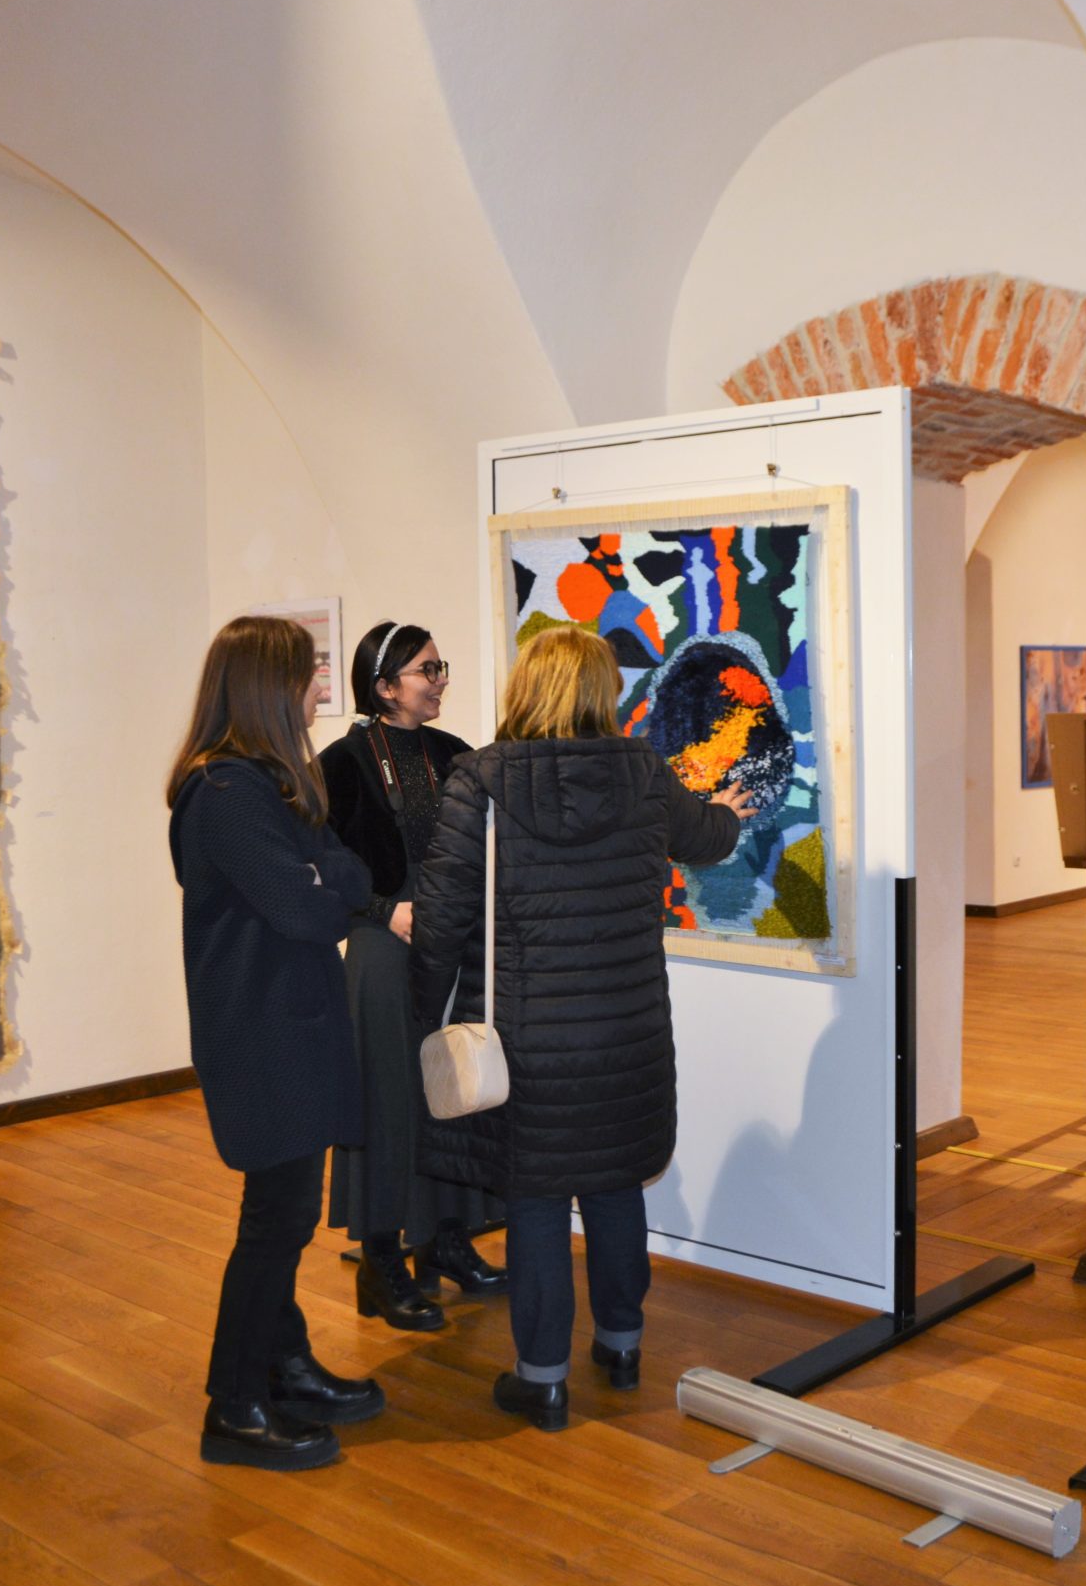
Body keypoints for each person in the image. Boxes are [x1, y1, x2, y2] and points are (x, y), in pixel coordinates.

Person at [410, 625, 755, 1432]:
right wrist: (729, 814)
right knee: (613, 1182)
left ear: (525, 687)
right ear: (604, 690)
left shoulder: (478, 781)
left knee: (535, 1201)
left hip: (525, 1041)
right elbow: (705, 837)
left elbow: (439, 920)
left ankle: (543, 1379)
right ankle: (622, 1344)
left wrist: (423, 1013)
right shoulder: (643, 773)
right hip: (626, 1036)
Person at [168, 614, 381, 1471]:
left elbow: (351, 870)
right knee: (277, 1219)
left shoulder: (273, 783)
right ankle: (234, 1404)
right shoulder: (226, 792)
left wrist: (327, 877)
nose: (321, 685)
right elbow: (309, 908)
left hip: (293, 1024)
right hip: (261, 1034)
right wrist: (325, 881)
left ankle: (283, 1366)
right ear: (269, 687)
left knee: (287, 1214)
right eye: (309, 671)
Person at [317, 621, 506, 1333]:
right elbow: (317, 866)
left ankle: (447, 1240)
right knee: (389, 1104)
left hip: (450, 949)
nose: (440, 679)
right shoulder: (339, 764)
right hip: (382, 951)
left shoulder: (454, 754)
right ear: (385, 686)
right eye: (428, 669)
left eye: (440, 666)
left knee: (455, 1099)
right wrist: (381, 910)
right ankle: (380, 1260)